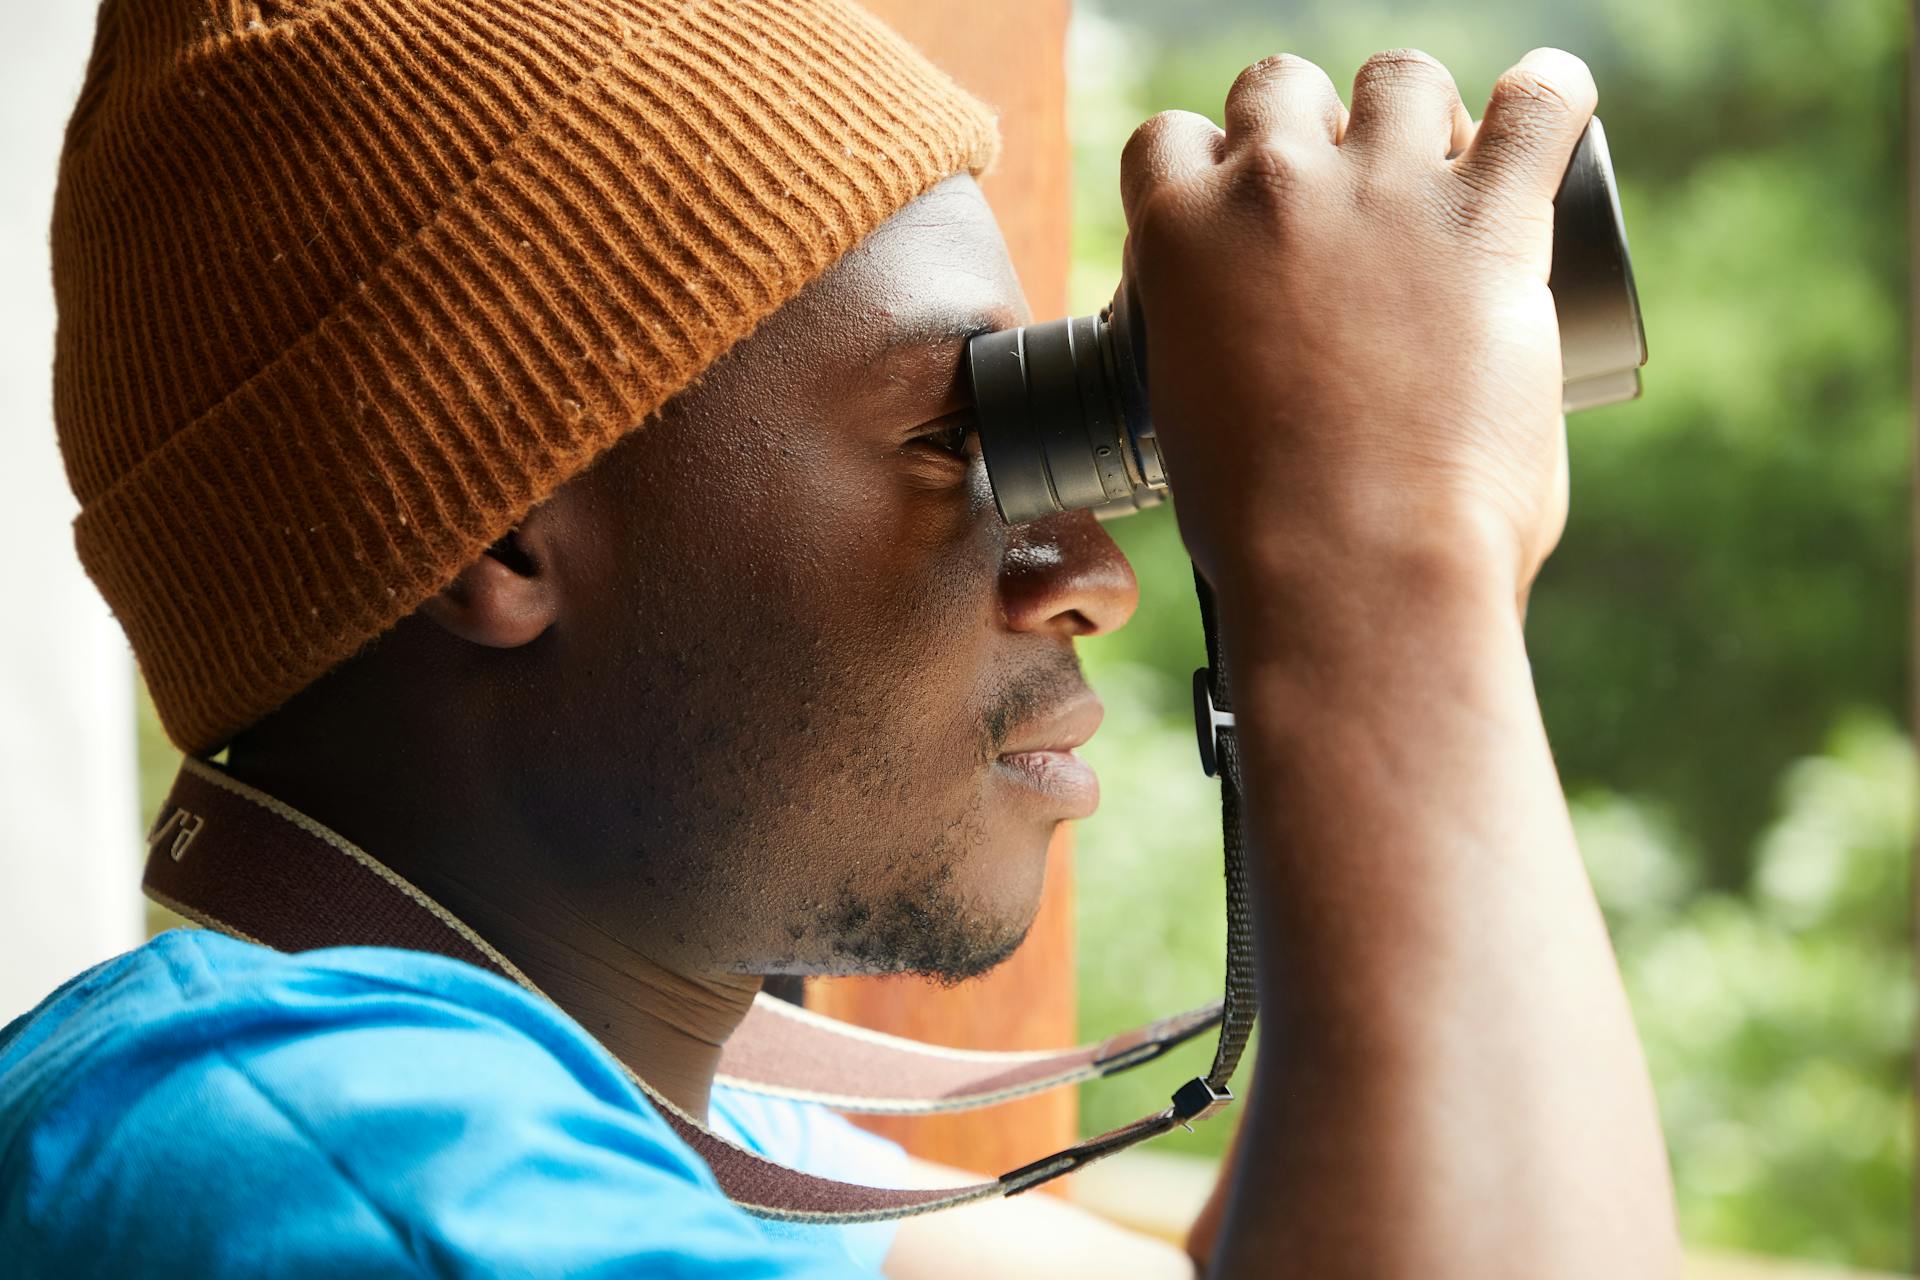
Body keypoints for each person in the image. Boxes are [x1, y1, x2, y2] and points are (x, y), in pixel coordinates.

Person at [2, 0, 1680, 1275]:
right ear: (499, 533)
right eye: (956, 444)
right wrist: (1391, 559)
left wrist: (1336, 502)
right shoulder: (322, 1152)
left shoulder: (689, 1139)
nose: (1093, 574)